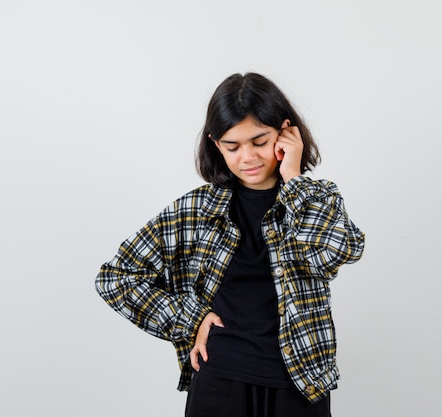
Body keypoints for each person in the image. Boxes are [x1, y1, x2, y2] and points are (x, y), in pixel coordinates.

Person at [95, 72, 365, 417]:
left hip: (300, 385)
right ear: (215, 143)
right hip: (220, 381)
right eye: (232, 146)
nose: (247, 157)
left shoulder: (318, 199)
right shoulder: (195, 210)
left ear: (285, 132)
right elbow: (116, 277)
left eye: (259, 141)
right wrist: (190, 318)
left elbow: (331, 254)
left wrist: (294, 179)